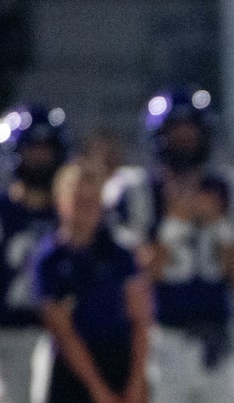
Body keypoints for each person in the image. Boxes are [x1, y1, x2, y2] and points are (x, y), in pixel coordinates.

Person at [104, 86, 234, 403]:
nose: (184, 137)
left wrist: (219, 225)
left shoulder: (232, 187)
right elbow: (137, 279)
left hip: (220, 337)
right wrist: (175, 226)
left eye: (191, 128)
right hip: (160, 337)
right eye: (175, 129)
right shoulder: (133, 191)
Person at [30, 157, 152, 403]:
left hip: (119, 358)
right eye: (78, 201)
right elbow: (63, 332)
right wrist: (97, 389)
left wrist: (137, 380)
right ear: (61, 202)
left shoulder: (119, 253)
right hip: (72, 365)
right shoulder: (49, 259)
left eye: (92, 202)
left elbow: (140, 318)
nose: (86, 209)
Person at [0, 103, 69, 403]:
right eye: (31, 149)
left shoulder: (72, 209)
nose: (40, 158)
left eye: (45, 148)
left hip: (62, 338)